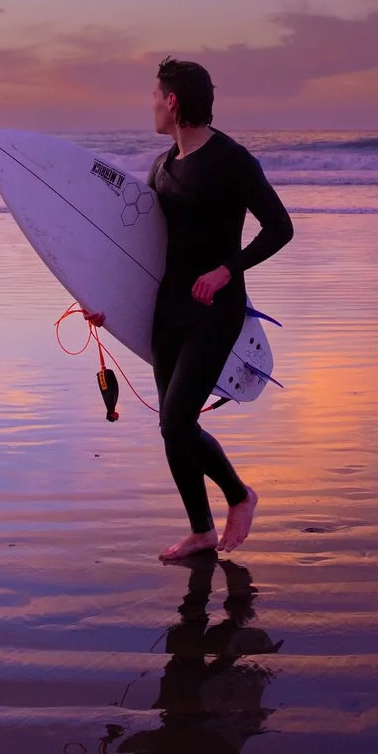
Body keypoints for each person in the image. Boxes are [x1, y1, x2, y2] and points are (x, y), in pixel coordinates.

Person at [89, 58, 294, 562]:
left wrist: (227, 270)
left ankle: (240, 495)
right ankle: (201, 531)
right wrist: (102, 300)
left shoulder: (232, 160)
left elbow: (280, 227)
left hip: (215, 311)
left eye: (156, 97)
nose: (152, 107)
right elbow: (142, 247)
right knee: (171, 424)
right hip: (169, 311)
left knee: (178, 423)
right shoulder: (161, 167)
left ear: (173, 101)